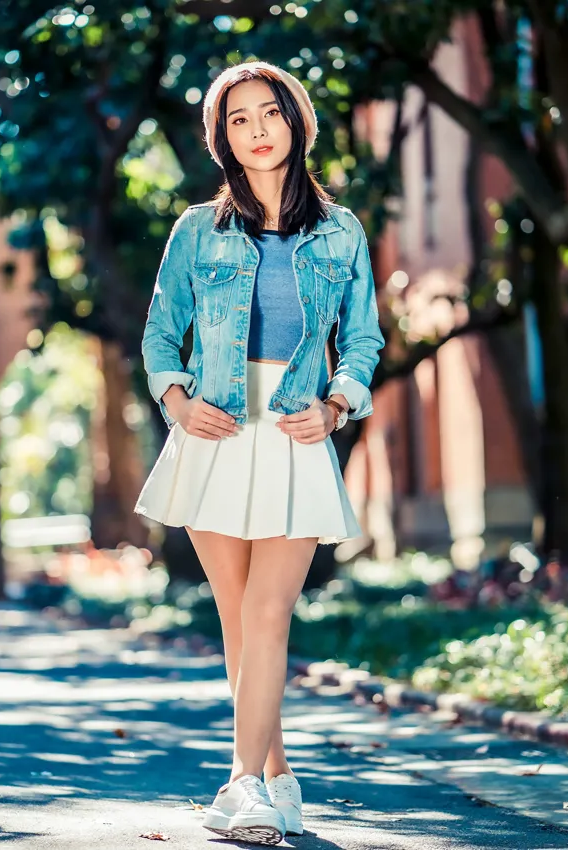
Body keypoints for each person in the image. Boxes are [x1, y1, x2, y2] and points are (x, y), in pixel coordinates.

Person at [133, 61, 384, 845]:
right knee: (238, 619)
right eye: (237, 119)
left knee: (270, 611)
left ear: (297, 121)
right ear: (222, 139)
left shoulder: (341, 231)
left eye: (268, 113)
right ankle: (274, 778)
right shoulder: (195, 231)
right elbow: (159, 334)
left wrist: (338, 404)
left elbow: (364, 340)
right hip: (213, 434)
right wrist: (177, 401)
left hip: (291, 434)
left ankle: (245, 784)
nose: (256, 129)